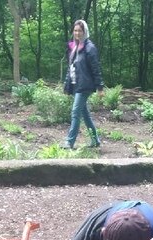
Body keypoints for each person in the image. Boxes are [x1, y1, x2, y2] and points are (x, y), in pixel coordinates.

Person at [62, 19, 104, 149]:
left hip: (85, 85)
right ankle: (95, 140)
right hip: (76, 85)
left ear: (84, 32)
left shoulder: (89, 48)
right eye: (75, 30)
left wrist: (100, 87)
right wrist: (66, 85)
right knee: (85, 115)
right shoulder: (73, 47)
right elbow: (70, 68)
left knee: (75, 112)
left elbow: (96, 68)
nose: (77, 33)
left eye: (80, 31)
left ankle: (69, 142)